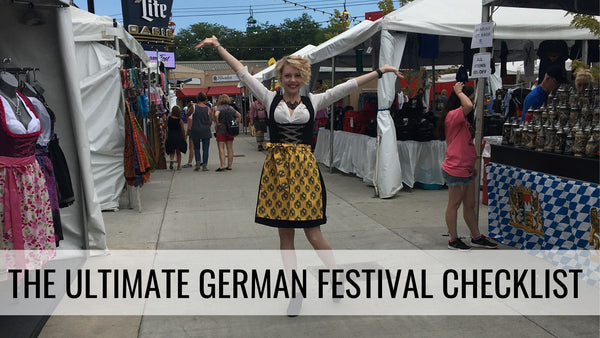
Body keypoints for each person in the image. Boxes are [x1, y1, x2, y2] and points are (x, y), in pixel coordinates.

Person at [195, 35, 403, 315]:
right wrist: (218, 46)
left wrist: (380, 71)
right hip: (277, 173)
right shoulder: (269, 98)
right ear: (280, 77)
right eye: (287, 75)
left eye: (296, 75)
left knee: (313, 233)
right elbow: (242, 72)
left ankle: (336, 278)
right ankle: (294, 292)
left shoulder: (313, 100)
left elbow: (347, 86)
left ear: (303, 76)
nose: (292, 80)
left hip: (305, 171)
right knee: (286, 237)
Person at [436, 82, 498, 251]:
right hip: (456, 167)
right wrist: (458, 91)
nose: (472, 103)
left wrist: (472, 165)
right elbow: (468, 105)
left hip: (466, 167)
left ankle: (476, 236)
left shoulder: (462, 119)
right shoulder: (453, 115)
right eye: (468, 98)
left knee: (469, 204)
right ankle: (453, 239)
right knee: (454, 204)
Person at [213, 94, 241, 172]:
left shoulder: (219, 108)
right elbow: (239, 115)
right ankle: (230, 165)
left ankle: (222, 165)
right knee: (230, 148)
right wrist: (236, 123)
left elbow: (216, 115)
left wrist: (217, 122)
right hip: (230, 130)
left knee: (221, 148)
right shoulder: (231, 108)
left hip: (221, 130)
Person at [187, 92, 213, 171]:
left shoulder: (194, 107)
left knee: (196, 148)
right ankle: (204, 165)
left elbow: (188, 114)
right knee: (205, 148)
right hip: (205, 129)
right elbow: (210, 121)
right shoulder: (208, 109)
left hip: (195, 129)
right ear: (205, 99)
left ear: (197, 99)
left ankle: (198, 162)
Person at [165, 106, 187, 170]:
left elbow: (165, 126)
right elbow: (183, 130)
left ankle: (172, 160)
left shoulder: (168, 118)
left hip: (170, 136)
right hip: (178, 137)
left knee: (172, 151)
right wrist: (184, 136)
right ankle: (179, 166)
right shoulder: (180, 121)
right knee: (178, 152)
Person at [182, 102, 195, 168]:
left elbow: (189, 126)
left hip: (192, 132)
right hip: (197, 131)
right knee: (197, 148)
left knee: (191, 148)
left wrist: (186, 134)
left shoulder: (190, 116)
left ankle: (189, 162)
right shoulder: (195, 114)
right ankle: (200, 160)